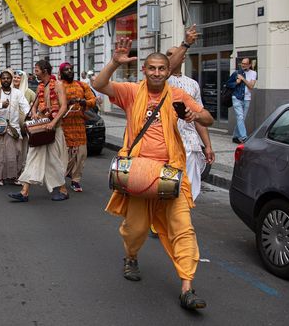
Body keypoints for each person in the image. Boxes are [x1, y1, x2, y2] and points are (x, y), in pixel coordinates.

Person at [92, 38, 214, 311]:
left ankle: (187, 286)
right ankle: (131, 256)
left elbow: (209, 118)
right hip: (138, 174)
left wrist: (195, 118)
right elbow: (98, 86)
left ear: (168, 71)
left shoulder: (179, 96)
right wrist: (114, 62)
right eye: (152, 68)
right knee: (135, 229)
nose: (157, 73)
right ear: (144, 71)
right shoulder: (132, 92)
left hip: (171, 174)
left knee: (183, 228)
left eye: (162, 68)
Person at [8, 60, 69, 202]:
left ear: (45, 71)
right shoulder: (40, 87)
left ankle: (63, 190)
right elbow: (34, 106)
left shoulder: (58, 85)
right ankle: (24, 192)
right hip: (41, 129)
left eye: (36, 70)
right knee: (32, 158)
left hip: (53, 130)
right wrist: (34, 113)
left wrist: (53, 122)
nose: (35, 72)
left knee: (53, 161)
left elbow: (64, 106)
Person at [165, 46, 215, 201]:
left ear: (183, 57)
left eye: (176, 54)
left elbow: (200, 118)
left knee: (188, 192)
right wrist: (185, 44)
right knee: (166, 191)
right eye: (169, 54)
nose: (172, 57)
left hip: (190, 145)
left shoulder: (193, 84)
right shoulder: (161, 81)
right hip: (167, 146)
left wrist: (207, 146)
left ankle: (181, 222)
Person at [0, 70, 30, 186]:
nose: (6, 80)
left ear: (11, 80)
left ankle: (14, 177)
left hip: (14, 128)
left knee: (16, 153)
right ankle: (0, 177)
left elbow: (25, 106)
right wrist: (0, 105)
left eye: (8, 78)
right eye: (3, 78)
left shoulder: (17, 93)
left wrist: (29, 114)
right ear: (0, 79)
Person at [59, 62, 97, 192]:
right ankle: (62, 177)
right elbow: (53, 103)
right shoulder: (58, 86)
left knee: (81, 154)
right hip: (63, 125)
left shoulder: (82, 85)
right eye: (66, 70)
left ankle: (76, 180)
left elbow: (93, 100)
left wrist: (83, 102)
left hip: (79, 125)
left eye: (71, 69)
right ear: (61, 72)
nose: (69, 71)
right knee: (66, 155)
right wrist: (67, 103)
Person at [226, 57, 257, 143]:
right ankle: (244, 137)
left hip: (247, 99)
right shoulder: (236, 73)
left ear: (250, 65)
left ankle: (235, 136)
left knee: (242, 119)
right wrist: (236, 82)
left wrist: (243, 79)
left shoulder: (253, 73)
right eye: (242, 63)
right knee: (240, 117)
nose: (243, 65)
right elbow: (228, 84)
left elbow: (251, 86)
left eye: (245, 64)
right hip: (237, 97)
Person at [13, 70, 36, 175]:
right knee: (12, 150)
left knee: (22, 151)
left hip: (24, 128)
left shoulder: (30, 93)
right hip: (11, 127)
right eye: (15, 77)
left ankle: (22, 172)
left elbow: (37, 107)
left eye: (19, 78)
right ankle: (12, 172)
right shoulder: (10, 90)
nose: (16, 79)